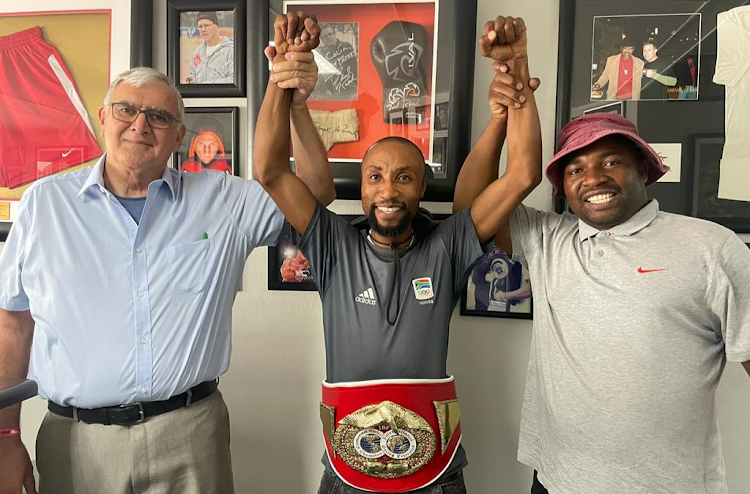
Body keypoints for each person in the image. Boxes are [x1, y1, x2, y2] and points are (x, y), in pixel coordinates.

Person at [0, 17, 334, 493]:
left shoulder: (224, 199)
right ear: (102, 116)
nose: (140, 125)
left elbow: (315, 196)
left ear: (179, 138)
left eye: (159, 117)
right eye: (126, 110)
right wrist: (4, 435)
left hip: (189, 437)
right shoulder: (42, 206)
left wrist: (294, 102)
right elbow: (13, 323)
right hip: (75, 442)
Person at [254, 13, 541, 493]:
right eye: (376, 177)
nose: (389, 190)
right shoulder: (332, 244)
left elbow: (523, 174)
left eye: (404, 177)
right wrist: (280, 81)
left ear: (422, 186)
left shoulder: (448, 245)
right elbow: (269, 171)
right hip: (347, 470)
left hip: (437, 473)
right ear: (362, 189)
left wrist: (519, 84)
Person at [455, 43, 750, 494]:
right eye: (574, 170)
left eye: (610, 161)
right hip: (556, 479)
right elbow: (471, 211)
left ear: (644, 170)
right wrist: (501, 116)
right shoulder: (551, 240)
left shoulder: (711, 247)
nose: (592, 178)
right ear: (564, 188)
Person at [187, 11, 234, 84]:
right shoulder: (196, 53)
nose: (203, 29)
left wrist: (207, 85)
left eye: (206, 25)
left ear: (216, 26)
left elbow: (234, 79)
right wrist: (191, 82)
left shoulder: (231, 50)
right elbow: (193, 76)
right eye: (200, 26)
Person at [314, 23, 358, 99]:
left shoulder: (346, 46)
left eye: (330, 34)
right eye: (325, 36)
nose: (328, 37)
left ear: (334, 34)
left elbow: (355, 68)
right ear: (322, 40)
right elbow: (323, 78)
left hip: (353, 87)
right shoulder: (322, 55)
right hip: (338, 93)